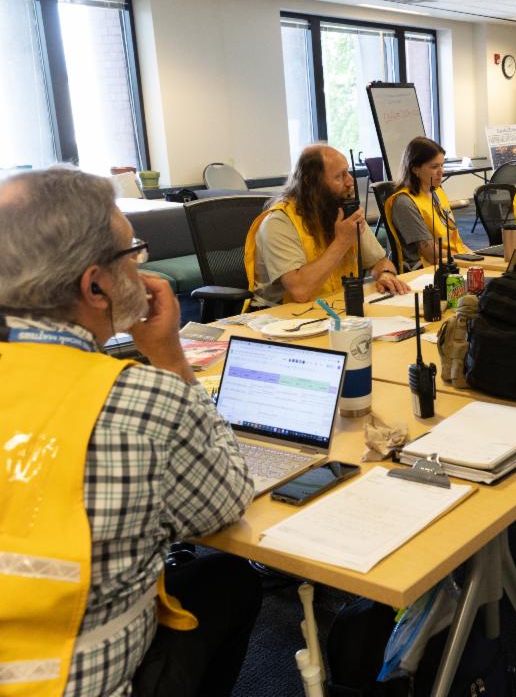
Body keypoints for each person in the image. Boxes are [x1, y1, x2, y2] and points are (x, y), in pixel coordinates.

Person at [0, 167, 259, 697]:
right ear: (95, 284)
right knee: (230, 580)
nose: (141, 265)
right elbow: (227, 499)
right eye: (132, 253)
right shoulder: (142, 401)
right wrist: (168, 355)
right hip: (72, 681)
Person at [246, 144, 410, 306]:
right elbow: (300, 291)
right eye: (339, 176)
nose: (350, 181)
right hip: (283, 319)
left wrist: (386, 274)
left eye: (348, 173)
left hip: (334, 308)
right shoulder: (278, 223)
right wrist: (342, 241)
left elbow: (379, 262)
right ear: (310, 182)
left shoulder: (339, 210)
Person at [385, 136, 471, 270]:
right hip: (427, 269)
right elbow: (430, 254)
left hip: (452, 260)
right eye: (434, 167)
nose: (441, 171)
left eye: (442, 165)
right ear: (415, 169)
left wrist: (473, 255)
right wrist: (465, 257)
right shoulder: (404, 202)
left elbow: (454, 238)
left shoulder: (436, 192)